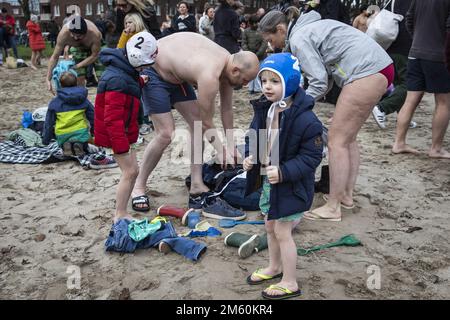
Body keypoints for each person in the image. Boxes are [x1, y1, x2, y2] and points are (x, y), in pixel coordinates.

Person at [259, 10, 393, 221]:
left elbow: (319, 81)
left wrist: (294, 106)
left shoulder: (299, 37)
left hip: (365, 71)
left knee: (336, 141)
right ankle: (346, 196)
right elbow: (324, 76)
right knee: (348, 139)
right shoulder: (310, 28)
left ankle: (333, 208)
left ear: (280, 30)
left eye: (271, 40)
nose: (271, 46)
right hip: (381, 67)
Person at [131, 32, 259, 213]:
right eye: (245, 80)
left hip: (177, 77)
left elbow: (227, 110)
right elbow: (208, 123)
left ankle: (197, 184)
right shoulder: (210, 73)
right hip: (154, 72)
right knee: (166, 133)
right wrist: (221, 151)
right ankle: (138, 187)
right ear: (236, 70)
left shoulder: (227, 64)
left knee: (196, 124)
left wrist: (231, 147)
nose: (245, 85)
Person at [243, 53, 323, 300]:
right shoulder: (265, 108)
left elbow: (311, 158)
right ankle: (274, 267)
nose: (267, 86)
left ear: (290, 81)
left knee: (283, 231)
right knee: (269, 225)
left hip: (291, 185)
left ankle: (290, 281)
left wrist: (284, 171)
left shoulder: (307, 120)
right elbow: (254, 135)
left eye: (274, 81)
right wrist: (251, 156)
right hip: (269, 182)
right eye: (264, 80)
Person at [94, 31, 157, 222]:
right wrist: (121, 145)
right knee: (130, 172)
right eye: (145, 66)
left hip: (123, 131)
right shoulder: (117, 81)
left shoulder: (124, 71)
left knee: (133, 171)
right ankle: (119, 213)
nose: (145, 68)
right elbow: (111, 119)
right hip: (116, 134)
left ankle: (121, 211)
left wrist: (140, 81)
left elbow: (128, 79)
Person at [392, 0, 450, 159]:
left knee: (411, 99)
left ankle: (399, 142)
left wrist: (417, 39)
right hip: (438, 55)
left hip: (415, 53)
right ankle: (436, 148)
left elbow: (408, 19)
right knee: (444, 101)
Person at [372, 0, 417, 130]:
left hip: (390, 46)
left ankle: (404, 117)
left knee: (398, 84)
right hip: (405, 48)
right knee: (409, 85)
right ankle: (382, 108)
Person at [42, 71, 94, 157]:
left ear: (61, 85)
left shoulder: (55, 102)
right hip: (80, 132)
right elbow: (93, 116)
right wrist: (93, 132)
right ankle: (80, 144)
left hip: (63, 133)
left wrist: (46, 140)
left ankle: (66, 145)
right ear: (76, 82)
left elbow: (49, 123)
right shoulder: (83, 99)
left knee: (64, 140)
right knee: (84, 141)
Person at [46, 16, 103, 93]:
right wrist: (48, 79)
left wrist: (78, 65)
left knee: (102, 77)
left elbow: (94, 55)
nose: (75, 38)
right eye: (73, 34)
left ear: (85, 33)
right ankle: (80, 98)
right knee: (79, 76)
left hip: (96, 48)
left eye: (79, 36)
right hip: (79, 48)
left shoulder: (95, 34)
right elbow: (55, 57)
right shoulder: (64, 34)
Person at [242, 15, 268, 94]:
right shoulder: (246, 31)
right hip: (250, 56)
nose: (255, 25)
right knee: (250, 72)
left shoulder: (261, 31)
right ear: (250, 23)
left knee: (259, 72)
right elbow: (244, 43)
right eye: (253, 23)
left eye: (256, 23)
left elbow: (264, 43)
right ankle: (251, 88)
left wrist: (257, 54)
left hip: (260, 56)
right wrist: (249, 53)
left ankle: (258, 88)